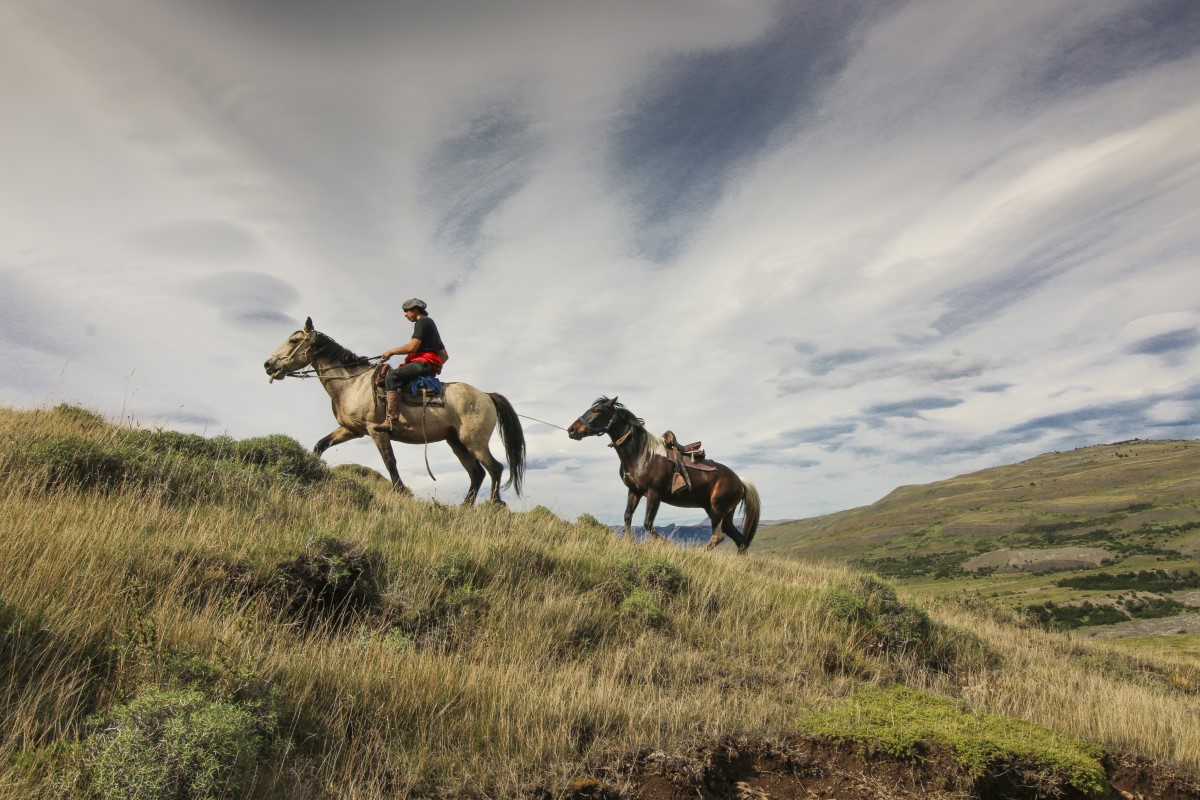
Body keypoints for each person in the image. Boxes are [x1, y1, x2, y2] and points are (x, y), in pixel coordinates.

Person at [371, 298, 449, 434]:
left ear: (415, 310)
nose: (405, 314)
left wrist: (391, 351)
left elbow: (413, 347)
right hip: (427, 364)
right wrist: (435, 368)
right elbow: (444, 355)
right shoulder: (430, 325)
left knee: (393, 376)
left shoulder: (423, 322)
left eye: (407, 311)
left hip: (423, 363)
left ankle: (391, 421)